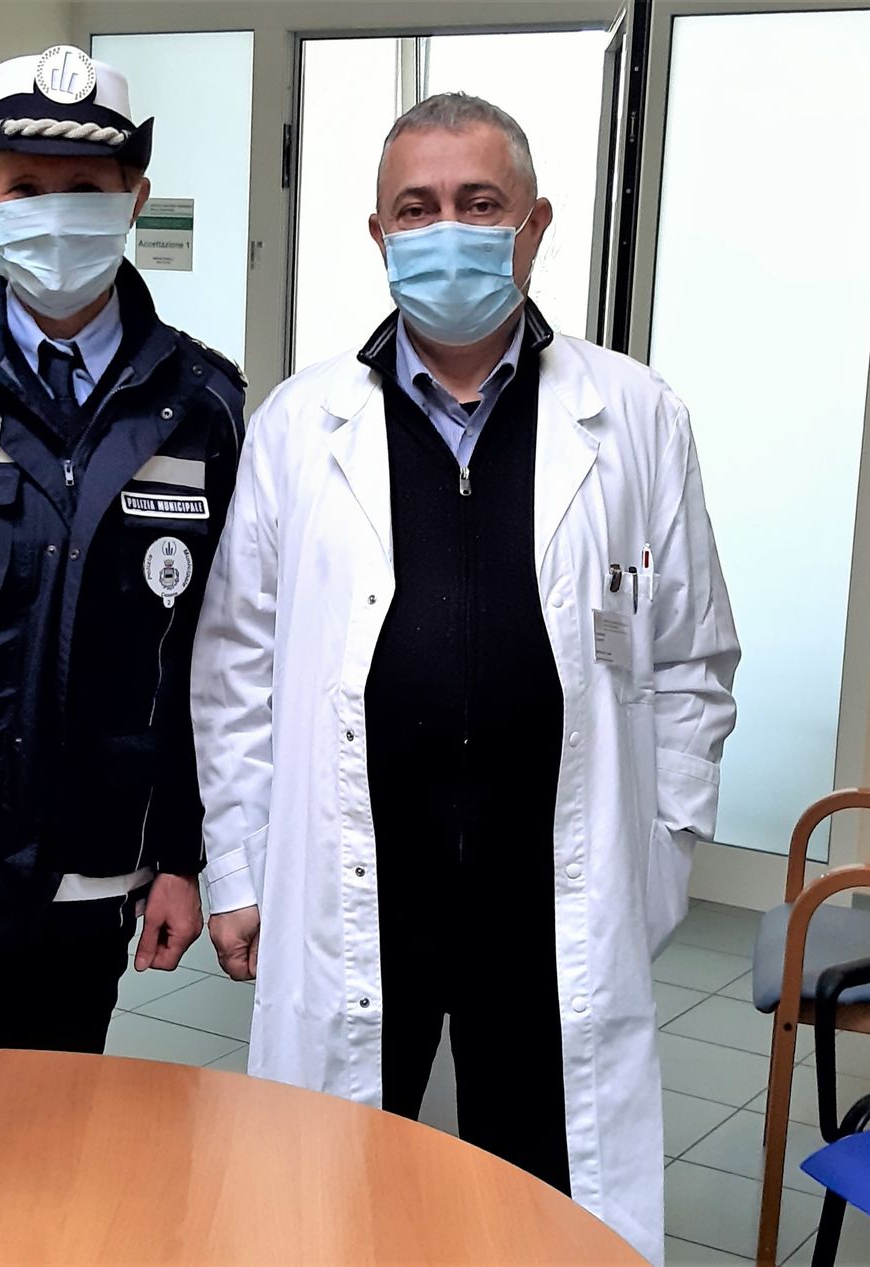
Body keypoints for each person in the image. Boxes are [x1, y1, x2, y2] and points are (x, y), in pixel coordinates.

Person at [192, 93, 739, 1258]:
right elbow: (237, 664)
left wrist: (665, 844)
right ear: (379, 233)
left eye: (479, 203)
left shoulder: (634, 416)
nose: (448, 229)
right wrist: (235, 863)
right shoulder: (300, 425)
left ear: (534, 225)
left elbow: (689, 652)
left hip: (550, 874)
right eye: (417, 207)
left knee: (543, 1185)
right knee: (333, 1185)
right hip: (356, 867)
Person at [0, 45, 244, 1052]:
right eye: (27, 188)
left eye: (87, 188)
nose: (57, 214)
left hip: (94, 865)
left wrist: (183, 857)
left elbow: (211, 660)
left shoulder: (202, 405)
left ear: (135, 198)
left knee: (51, 1125)